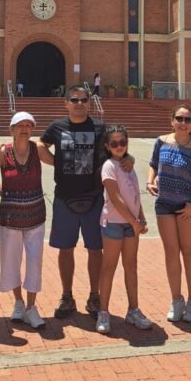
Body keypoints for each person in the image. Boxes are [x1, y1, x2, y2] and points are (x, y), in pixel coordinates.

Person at [38, 85, 134, 319]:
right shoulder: (57, 127)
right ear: (66, 103)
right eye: (74, 100)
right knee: (65, 248)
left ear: (89, 103)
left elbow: (117, 146)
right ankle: (67, 296)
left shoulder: (100, 128)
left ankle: (94, 296)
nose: (79, 104)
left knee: (95, 249)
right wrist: (56, 162)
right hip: (64, 197)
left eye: (83, 100)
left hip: (94, 198)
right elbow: (40, 144)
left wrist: (128, 156)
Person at [146, 104, 191, 323]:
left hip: (189, 205)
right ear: (171, 120)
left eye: (187, 119)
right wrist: (150, 180)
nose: (183, 123)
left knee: (189, 251)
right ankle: (176, 300)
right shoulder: (161, 141)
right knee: (171, 252)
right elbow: (153, 164)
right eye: (179, 119)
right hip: (164, 204)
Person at [0, 111, 53, 329]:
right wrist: (3, 191)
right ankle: (18, 303)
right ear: (12, 129)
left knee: (34, 260)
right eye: (20, 125)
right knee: (12, 259)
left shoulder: (38, 150)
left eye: (29, 125)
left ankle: (31, 307)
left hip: (35, 214)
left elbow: (61, 163)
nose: (24, 129)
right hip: (10, 216)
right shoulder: (3, 151)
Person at [96, 125, 152, 334]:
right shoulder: (109, 166)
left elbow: (135, 194)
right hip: (114, 223)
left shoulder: (128, 165)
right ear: (107, 146)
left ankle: (133, 310)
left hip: (131, 225)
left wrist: (142, 218)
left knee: (131, 266)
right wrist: (133, 221)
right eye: (114, 143)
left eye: (123, 142)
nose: (119, 146)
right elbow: (114, 197)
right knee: (109, 267)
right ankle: (103, 312)